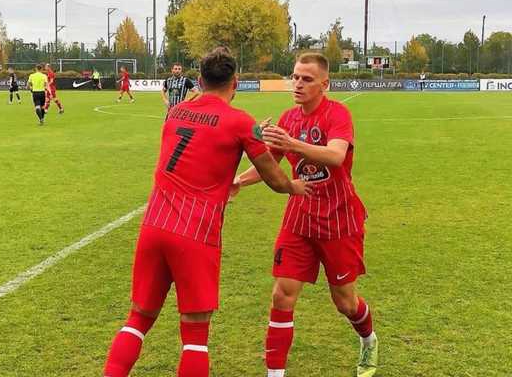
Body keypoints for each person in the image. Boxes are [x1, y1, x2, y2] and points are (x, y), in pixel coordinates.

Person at [103, 47, 311, 377]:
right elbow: (272, 175)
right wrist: (293, 186)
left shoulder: (176, 113)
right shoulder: (240, 122)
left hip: (154, 224)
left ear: (199, 80)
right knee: (195, 338)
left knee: (138, 319)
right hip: (195, 232)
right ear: (236, 82)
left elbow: (203, 143)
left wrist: (248, 136)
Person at [231, 53, 378, 377]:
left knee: (345, 303)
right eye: (295, 77)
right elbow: (270, 162)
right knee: (282, 295)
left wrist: (292, 144)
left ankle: (368, 340)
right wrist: (238, 180)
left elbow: (336, 156)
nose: (298, 84)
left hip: (339, 220)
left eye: (306, 79)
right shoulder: (288, 118)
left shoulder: (338, 113)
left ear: (324, 84)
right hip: (299, 218)